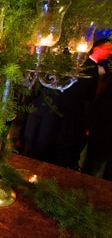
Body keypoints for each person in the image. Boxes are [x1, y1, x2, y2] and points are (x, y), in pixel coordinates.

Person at [23, 40, 102, 170]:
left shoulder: (45, 61)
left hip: (45, 122)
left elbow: (32, 90)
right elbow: (89, 97)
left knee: (35, 163)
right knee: (55, 166)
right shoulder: (87, 65)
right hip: (64, 124)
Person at [82, 39, 112, 180]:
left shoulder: (103, 71)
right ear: (97, 48)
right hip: (100, 124)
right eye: (108, 49)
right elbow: (92, 99)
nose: (110, 52)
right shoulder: (87, 66)